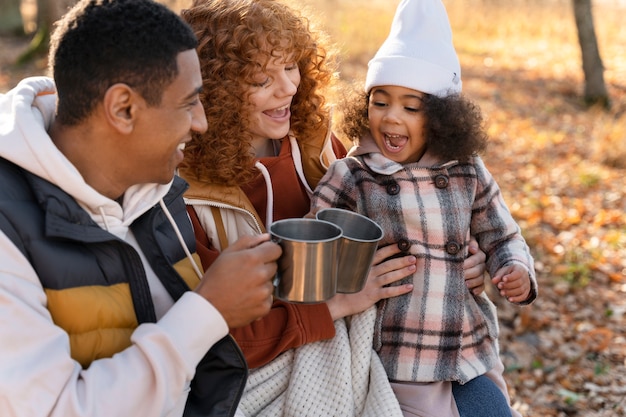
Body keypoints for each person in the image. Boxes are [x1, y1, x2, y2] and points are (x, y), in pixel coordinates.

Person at [178, 0, 489, 415]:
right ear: (213, 91)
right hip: (272, 368)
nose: (288, 87)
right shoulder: (186, 196)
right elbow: (213, 338)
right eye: (260, 78)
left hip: (391, 339)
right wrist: (336, 306)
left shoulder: (318, 144)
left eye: (290, 66)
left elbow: (411, 212)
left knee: (489, 404)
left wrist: (465, 257)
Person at [0, 0, 282, 416]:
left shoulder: (156, 187)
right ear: (123, 109)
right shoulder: (8, 236)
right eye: (189, 103)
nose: (201, 122)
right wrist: (208, 311)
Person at [310, 0, 538, 416]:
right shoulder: (353, 175)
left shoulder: (468, 171)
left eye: (411, 107)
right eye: (380, 102)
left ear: (441, 117)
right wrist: (351, 276)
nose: (392, 117)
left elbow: (503, 235)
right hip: (397, 357)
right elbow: (315, 245)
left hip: (468, 350)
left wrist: (514, 269)